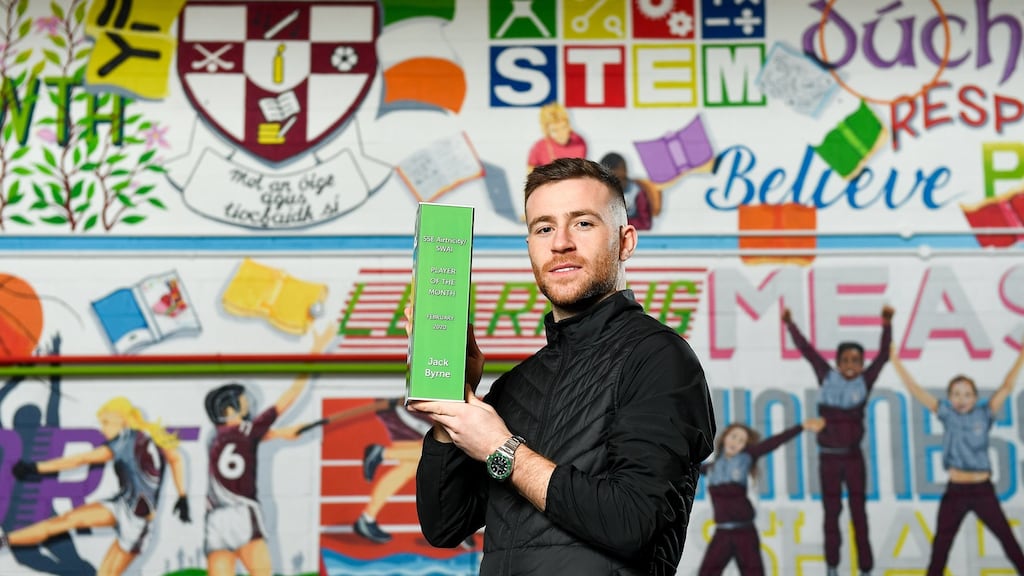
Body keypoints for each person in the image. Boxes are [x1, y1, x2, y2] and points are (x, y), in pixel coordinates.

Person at [412, 157, 716, 575]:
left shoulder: (659, 359)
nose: (560, 243)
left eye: (583, 223)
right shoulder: (517, 385)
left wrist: (503, 450)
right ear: (531, 247)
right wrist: (453, 402)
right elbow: (444, 525)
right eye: (544, 228)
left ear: (626, 241)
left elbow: (633, 522)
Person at [3, 397, 189, 576]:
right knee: (64, 521)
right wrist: (182, 496)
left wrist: (35, 467)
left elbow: (81, 459)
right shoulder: (139, 439)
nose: (102, 429)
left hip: (137, 522)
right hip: (120, 505)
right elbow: (176, 459)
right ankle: (5, 540)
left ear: (121, 419)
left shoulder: (128, 442)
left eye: (105, 422)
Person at [203, 324, 334, 576]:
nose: (249, 407)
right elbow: (290, 395)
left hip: (215, 518)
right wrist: (315, 352)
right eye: (243, 404)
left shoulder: (216, 438)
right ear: (230, 411)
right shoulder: (250, 430)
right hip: (242, 513)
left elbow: (250, 443)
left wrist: (283, 434)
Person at [890, 339, 1024, 575]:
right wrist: (894, 360)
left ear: (975, 397)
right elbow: (916, 390)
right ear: (950, 398)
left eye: (967, 394)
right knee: (940, 547)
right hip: (956, 492)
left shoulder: (985, 413)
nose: (961, 399)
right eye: (956, 394)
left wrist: (1022, 354)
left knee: (1008, 541)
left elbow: (1007, 385)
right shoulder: (947, 414)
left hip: (983, 490)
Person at [782, 305, 893, 576]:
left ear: (862, 364)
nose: (851, 366)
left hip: (853, 457)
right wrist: (790, 324)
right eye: (846, 360)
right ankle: (832, 565)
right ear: (838, 362)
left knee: (859, 514)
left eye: (857, 361)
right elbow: (807, 350)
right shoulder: (827, 376)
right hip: (829, 458)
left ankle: (865, 567)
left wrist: (887, 324)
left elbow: (883, 357)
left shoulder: (864, 382)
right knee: (831, 513)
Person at [698, 418, 825, 576]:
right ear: (725, 437)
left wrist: (802, 426)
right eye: (734, 436)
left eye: (741, 441)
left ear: (744, 446)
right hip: (722, 533)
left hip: (745, 531)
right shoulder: (711, 468)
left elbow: (774, 442)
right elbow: (686, 467)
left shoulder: (746, 458)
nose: (735, 442)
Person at [599, 153, 662, 231]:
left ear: (624, 172)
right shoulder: (601, 193)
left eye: (619, 179)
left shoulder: (636, 192)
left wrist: (620, 224)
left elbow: (645, 223)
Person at [526, 102, 587, 172]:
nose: (561, 133)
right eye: (555, 130)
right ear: (547, 131)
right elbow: (530, 174)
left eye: (563, 127)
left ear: (569, 125)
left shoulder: (579, 142)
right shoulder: (539, 147)